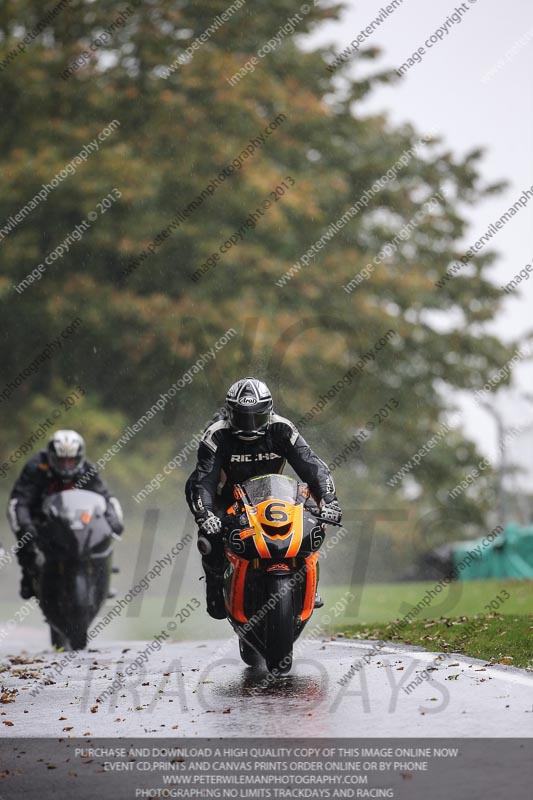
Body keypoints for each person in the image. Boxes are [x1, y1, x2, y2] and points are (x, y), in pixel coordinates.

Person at [185, 377, 342, 619]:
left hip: (271, 495)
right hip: (225, 496)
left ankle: (309, 579)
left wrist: (329, 500)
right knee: (210, 539)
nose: (249, 426)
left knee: (313, 520)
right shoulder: (216, 435)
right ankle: (215, 586)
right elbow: (204, 480)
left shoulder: (283, 429)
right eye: (242, 418)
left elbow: (313, 467)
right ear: (229, 413)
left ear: (268, 412)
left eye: (256, 418)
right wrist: (205, 513)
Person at [7, 429, 124, 599]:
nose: (66, 466)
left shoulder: (87, 469)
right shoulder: (36, 468)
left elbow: (106, 498)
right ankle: (30, 578)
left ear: (80, 458)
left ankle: (101, 577)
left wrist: (113, 520)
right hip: (43, 521)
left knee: (102, 535)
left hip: (77, 522)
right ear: (51, 456)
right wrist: (26, 526)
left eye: (71, 461)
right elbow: (20, 502)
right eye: (61, 461)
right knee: (26, 538)